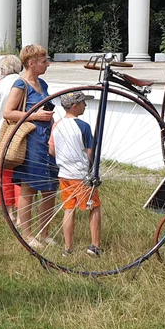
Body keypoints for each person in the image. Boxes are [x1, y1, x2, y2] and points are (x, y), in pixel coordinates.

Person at [3, 44, 58, 249]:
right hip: (31, 140)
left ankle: (45, 233)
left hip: (46, 140)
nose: (48, 64)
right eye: (44, 61)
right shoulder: (20, 85)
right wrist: (35, 115)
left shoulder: (42, 83)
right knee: (29, 188)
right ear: (31, 63)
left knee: (50, 188)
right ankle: (27, 234)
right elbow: (8, 113)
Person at [49, 91, 101, 256]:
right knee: (94, 207)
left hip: (64, 174)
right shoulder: (83, 126)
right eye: (83, 103)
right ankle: (94, 246)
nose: (85, 105)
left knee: (69, 209)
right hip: (81, 175)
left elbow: (51, 150)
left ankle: (68, 248)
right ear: (75, 106)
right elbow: (90, 152)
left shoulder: (56, 125)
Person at [0, 55, 23, 219]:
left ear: (3, 69)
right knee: (22, 176)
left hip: (1, 133)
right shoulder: (25, 83)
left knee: (4, 174)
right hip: (22, 132)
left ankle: (10, 213)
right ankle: (23, 213)